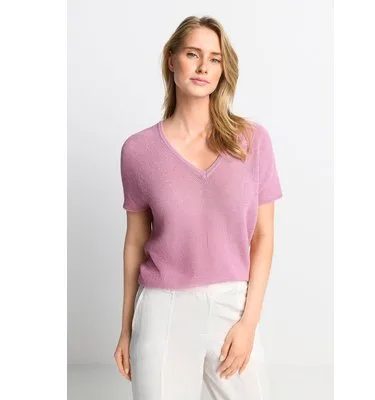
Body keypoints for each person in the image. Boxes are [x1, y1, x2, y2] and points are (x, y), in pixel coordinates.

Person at [114, 15, 283, 400]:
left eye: (214, 58)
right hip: (163, 311)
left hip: (231, 307)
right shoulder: (138, 151)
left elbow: (263, 237)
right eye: (193, 54)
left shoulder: (252, 141)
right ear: (171, 60)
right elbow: (135, 242)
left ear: (223, 70)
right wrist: (125, 329)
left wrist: (249, 323)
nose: (204, 66)